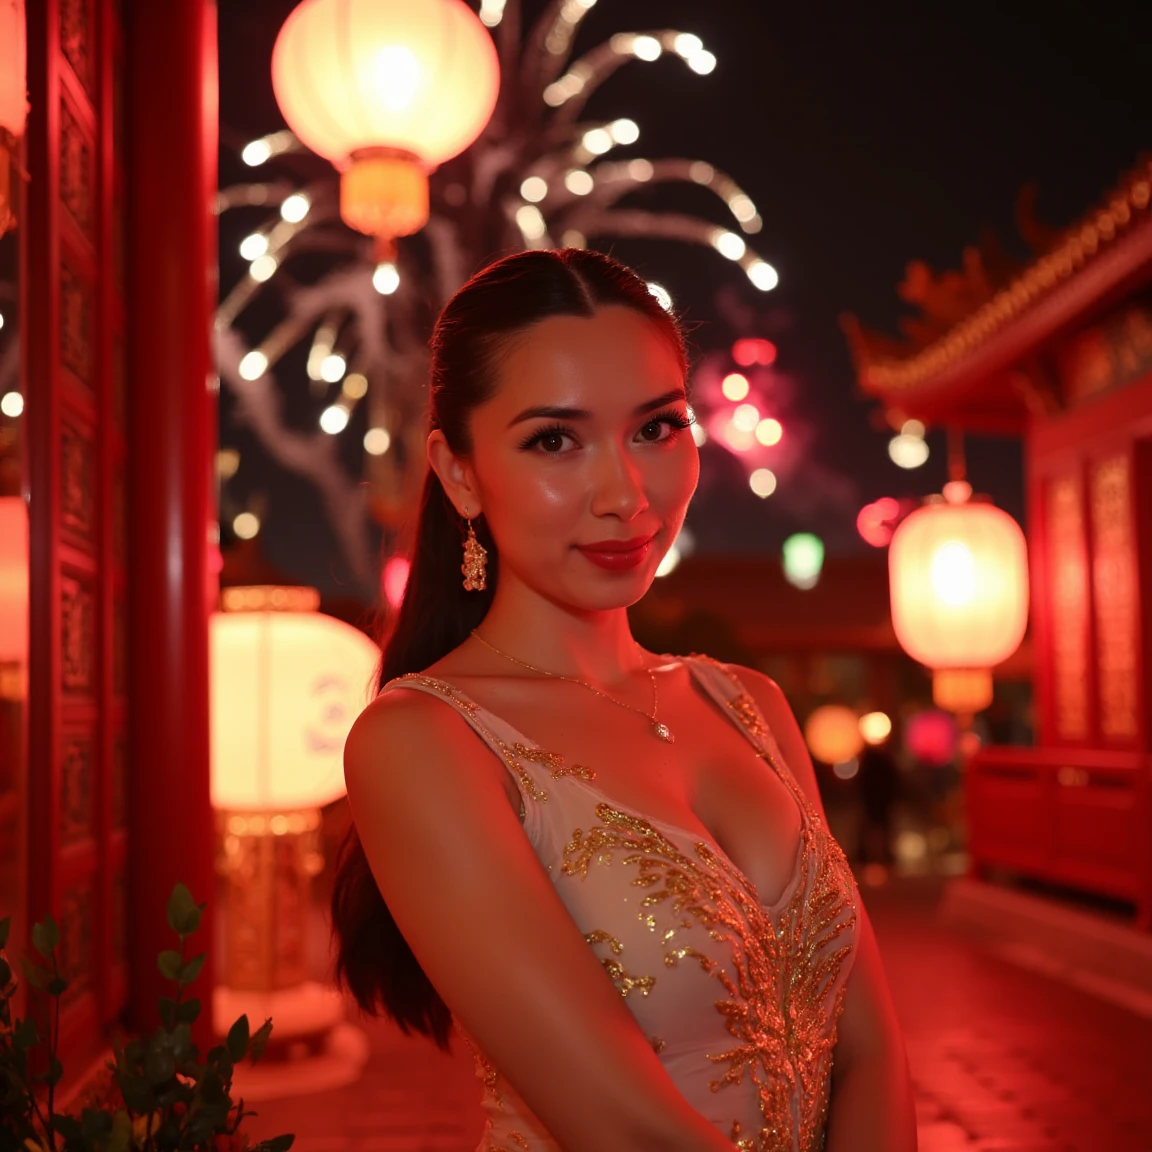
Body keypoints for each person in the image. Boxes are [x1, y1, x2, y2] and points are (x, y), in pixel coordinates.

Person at [332, 249, 916, 1152]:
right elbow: (628, 1132)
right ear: (458, 472)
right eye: (554, 441)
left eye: (656, 429)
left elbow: (869, 1052)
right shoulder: (425, 739)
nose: (626, 495)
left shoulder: (748, 703)